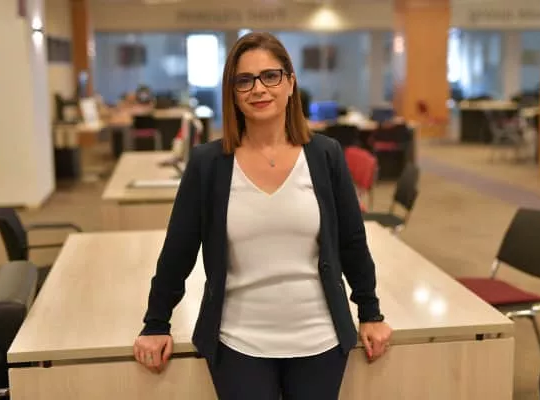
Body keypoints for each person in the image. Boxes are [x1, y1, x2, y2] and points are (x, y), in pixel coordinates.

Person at [133, 32, 392, 399]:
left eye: (270, 76)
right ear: (233, 93)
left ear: (290, 83)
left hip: (319, 339)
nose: (258, 89)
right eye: (245, 80)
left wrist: (370, 312)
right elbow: (179, 250)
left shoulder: (325, 155)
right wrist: (156, 322)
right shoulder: (209, 163)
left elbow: (352, 241)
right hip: (238, 342)